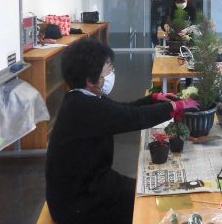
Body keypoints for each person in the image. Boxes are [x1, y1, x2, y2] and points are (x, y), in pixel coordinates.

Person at [45, 39, 198, 224]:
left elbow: (122, 110)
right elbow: (131, 118)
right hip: (79, 202)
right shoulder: (82, 107)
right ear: (90, 80)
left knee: (147, 193)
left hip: (91, 185)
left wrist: (153, 99)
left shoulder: (84, 97)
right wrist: (172, 107)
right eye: (107, 71)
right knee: (150, 204)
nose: (111, 74)